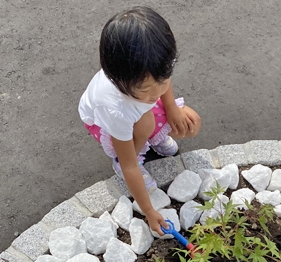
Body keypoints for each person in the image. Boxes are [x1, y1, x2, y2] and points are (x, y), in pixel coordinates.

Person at [78, 7, 201, 234]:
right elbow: (129, 166)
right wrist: (149, 210)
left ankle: (150, 137)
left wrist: (172, 108)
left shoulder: (151, 70)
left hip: (135, 107)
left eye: (161, 82)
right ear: (118, 79)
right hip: (103, 122)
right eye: (146, 89)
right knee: (144, 126)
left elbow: (158, 85)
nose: (156, 94)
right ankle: (139, 146)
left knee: (190, 122)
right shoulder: (114, 108)